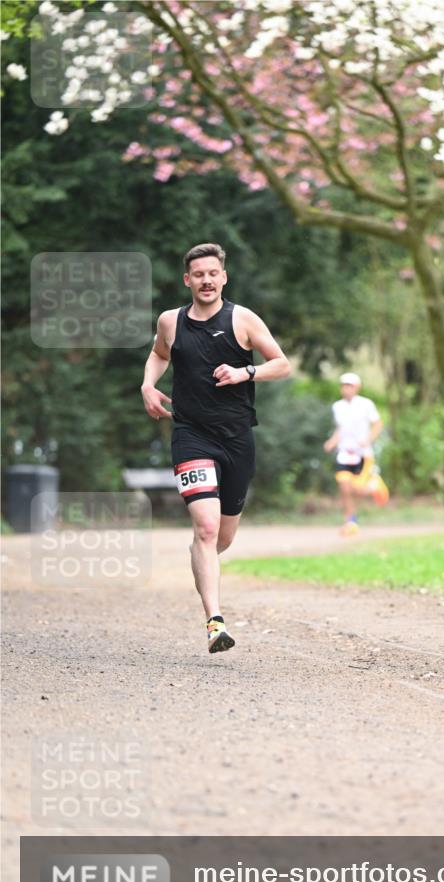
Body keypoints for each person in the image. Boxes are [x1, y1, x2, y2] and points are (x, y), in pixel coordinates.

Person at [141, 243, 290, 653]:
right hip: (191, 434)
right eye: (198, 274)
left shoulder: (241, 319)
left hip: (237, 437)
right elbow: (158, 354)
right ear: (187, 280)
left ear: (223, 277)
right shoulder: (171, 322)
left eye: (213, 273)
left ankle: (201, 555)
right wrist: (147, 385)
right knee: (205, 528)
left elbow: (282, 363)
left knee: (221, 538)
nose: (206, 280)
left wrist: (247, 372)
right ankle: (215, 621)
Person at [323, 372, 386, 535]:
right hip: (344, 453)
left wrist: (368, 439)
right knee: (344, 488)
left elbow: (378, 424)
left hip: (362, 454)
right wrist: (332, 442)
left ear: (357, 387)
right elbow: (340, 429)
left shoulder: (366, 404)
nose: (346, 389)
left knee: (356, 489)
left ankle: (374, 486)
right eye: (343, 385)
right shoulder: (337, 406)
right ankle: (350, 522)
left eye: (349, 386)